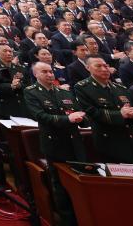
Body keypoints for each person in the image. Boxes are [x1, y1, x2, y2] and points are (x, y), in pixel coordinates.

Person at [24, 61, 87, 226]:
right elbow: (40, 116)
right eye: (44, 72)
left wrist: (82, 118)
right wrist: (68, 119)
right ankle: (68, 221)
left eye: (51, 71)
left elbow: (79, 113)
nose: (49, 74)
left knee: (79, 181)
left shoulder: (63, 92)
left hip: (74, 142)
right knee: (60, 184)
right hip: (54, 143)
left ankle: (83, 216)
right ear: (36, 75)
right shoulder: (31, 92)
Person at [73, 55, 133, 163]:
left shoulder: (121, 88)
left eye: (106, 66)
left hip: (132, 139)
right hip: (109, 140)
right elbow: (90, 112)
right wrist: (120, 115)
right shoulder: (82, 87)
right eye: (98, 66)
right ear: (88, 68)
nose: (104, 69)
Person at [0, 43, 29, 118]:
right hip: (5, 105)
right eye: (5, 51)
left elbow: (28, 84)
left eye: (10, 51)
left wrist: (20, 85)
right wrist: (10, 86)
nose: (9, 53)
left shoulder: (21, 68)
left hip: (22, 105)